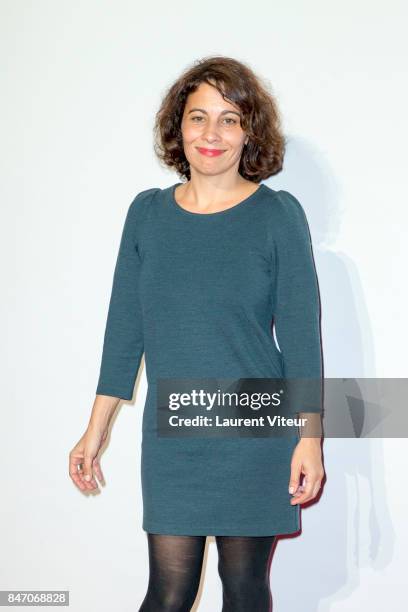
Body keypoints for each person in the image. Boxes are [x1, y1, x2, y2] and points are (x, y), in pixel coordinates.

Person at [69, 55, 325, 611]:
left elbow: (303, 337)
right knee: (167, 593)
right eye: (198, 117)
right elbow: (124, 330)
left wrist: (310, 438)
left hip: (256, 429)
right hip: (173, 437)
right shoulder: (147, 214)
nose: (211, 133)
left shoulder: (278, 214)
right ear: (177, 127)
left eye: (229, 119)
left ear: (249, 131)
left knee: (245, 589)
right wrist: (96, 432)